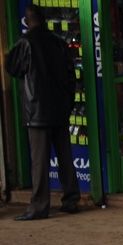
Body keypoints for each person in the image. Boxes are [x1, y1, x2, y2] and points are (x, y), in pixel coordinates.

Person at [5, 5, 79, 221]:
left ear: (28, 21)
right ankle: (71, 200)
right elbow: (70, 74)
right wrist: (67, 103)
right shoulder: (58, 42)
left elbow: (13, 68)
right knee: (65, 157)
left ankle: (39, 206)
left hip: (37, 111)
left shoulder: (26, 42)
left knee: (39, 161)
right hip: (59, 109)